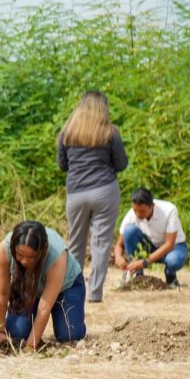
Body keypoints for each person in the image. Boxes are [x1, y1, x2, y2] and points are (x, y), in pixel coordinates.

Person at [57, 90, 129, 303]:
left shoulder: (67, 132)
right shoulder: (110, 132)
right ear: (103, 108)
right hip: (104, 190)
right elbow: (122, 164)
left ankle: (73, 291)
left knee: (76, 243)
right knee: (101, 243)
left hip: (76, 193)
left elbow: (62, 165)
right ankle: (95, 294)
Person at [0, 221, 86, 352]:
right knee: (17, 333)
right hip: (30, 287)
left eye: (31, 257)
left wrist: (31, 346)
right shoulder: (4, 248)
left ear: (42, 251)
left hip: (66, 287)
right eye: (20, 255)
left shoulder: (56, 255)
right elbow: (1, 293)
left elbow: (44, 307)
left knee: (69, 335)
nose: (25, 261)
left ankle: (64, 312)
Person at [113, 188, 188, 288]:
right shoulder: (131, 215)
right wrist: (118, 257)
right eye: (135, 210)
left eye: (142, 211)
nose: (138, 214)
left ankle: (171, 276)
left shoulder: (169, 210)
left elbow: (169, 245)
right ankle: (137, 275)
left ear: (152, 206)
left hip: (173, 248)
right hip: (150, 246)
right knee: (129, 231)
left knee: (173, 261)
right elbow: (119, 244)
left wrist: (144, 262)